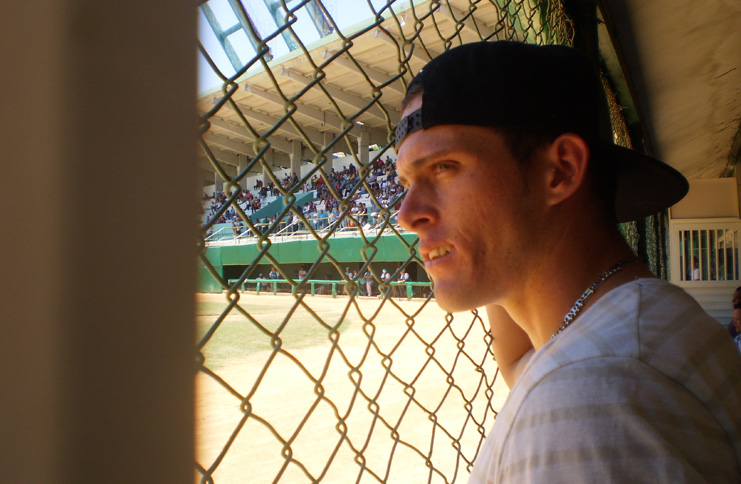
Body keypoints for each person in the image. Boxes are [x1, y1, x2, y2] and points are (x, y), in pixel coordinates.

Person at [393, 41, 741, 483]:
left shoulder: (590, 398)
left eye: (444, 168)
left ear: (560, 170)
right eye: (405, 181)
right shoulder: (633, 324)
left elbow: (574, 382)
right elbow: (520, 363)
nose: (406, 214)